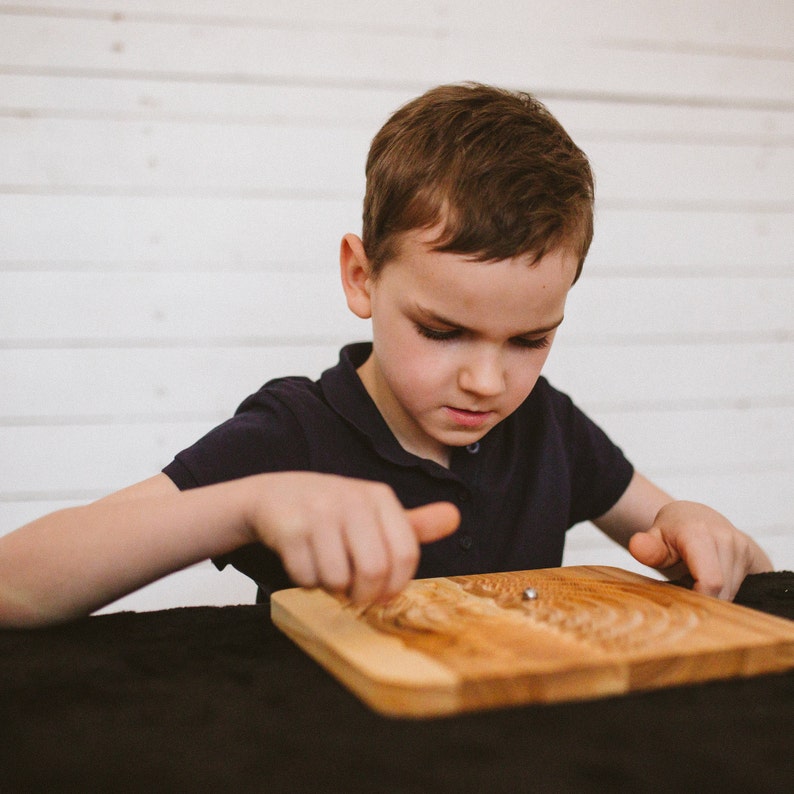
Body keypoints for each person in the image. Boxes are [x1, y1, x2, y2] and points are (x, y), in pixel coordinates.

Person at [0, 83, 772, 628]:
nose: (487, 380)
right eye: (442, 331)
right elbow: (13, 587)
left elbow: (714, 554)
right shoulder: (292, 433)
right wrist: (244, 506)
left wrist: (691, 523)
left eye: (531, 341)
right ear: (361, 276)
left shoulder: (549, 427)